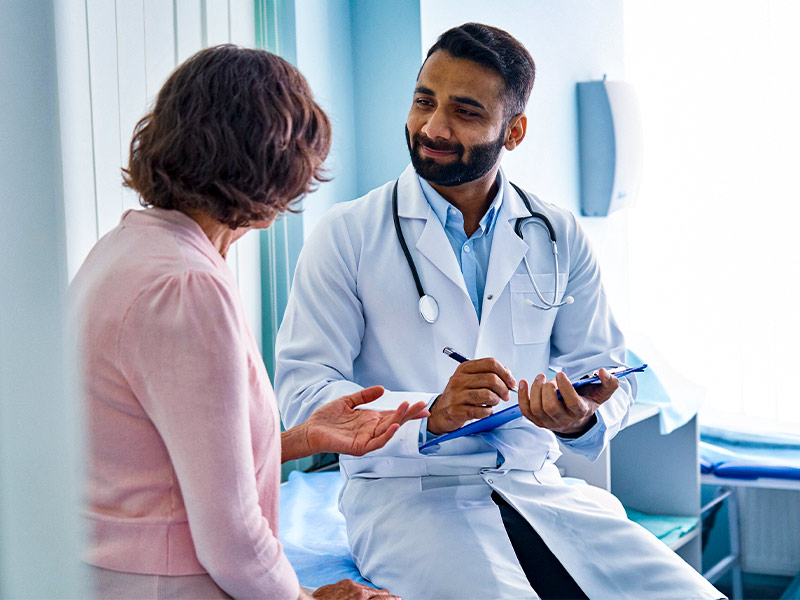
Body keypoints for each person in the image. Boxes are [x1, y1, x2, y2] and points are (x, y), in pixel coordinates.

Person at [275, 23, 723, 600]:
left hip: (533, 483)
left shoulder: (556, 234)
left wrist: (579, 417)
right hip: (406, 495)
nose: (433, 128)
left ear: (513, 131)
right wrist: (431, 412)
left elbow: (607, 371)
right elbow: (304, 392)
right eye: (423, 101)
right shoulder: (347, 236)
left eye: (464, 111)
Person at [68, 45, 428, 600]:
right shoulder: (187, 287)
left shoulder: (122, 250)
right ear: (274, 172)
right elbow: (231, 536)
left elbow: (161, 460)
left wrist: (303, 439)